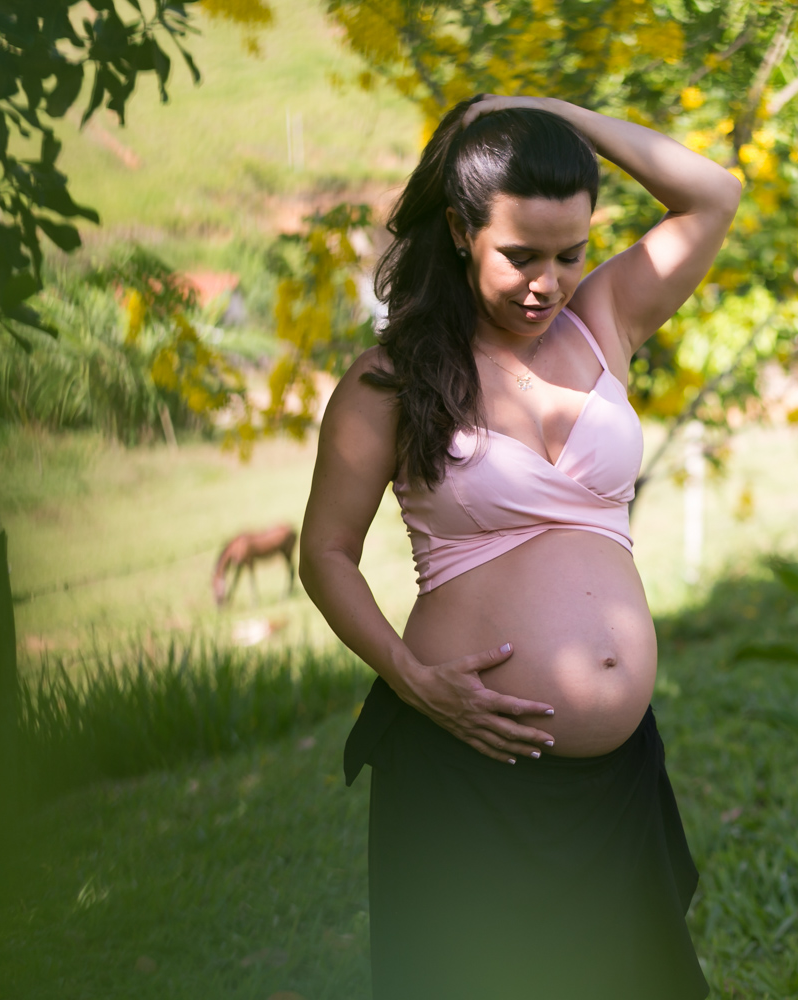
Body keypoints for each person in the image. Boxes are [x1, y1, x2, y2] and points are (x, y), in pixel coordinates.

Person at [299, 93, 740, 999]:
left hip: (613, 779)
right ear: (462, 231)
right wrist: (409, 678)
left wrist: (533, 108)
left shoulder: (604, 320)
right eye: (521, 256)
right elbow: (327, 553)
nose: (549, 282)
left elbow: (712, 195)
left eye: (572, 253)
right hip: (470, 768)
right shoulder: (393, 377)